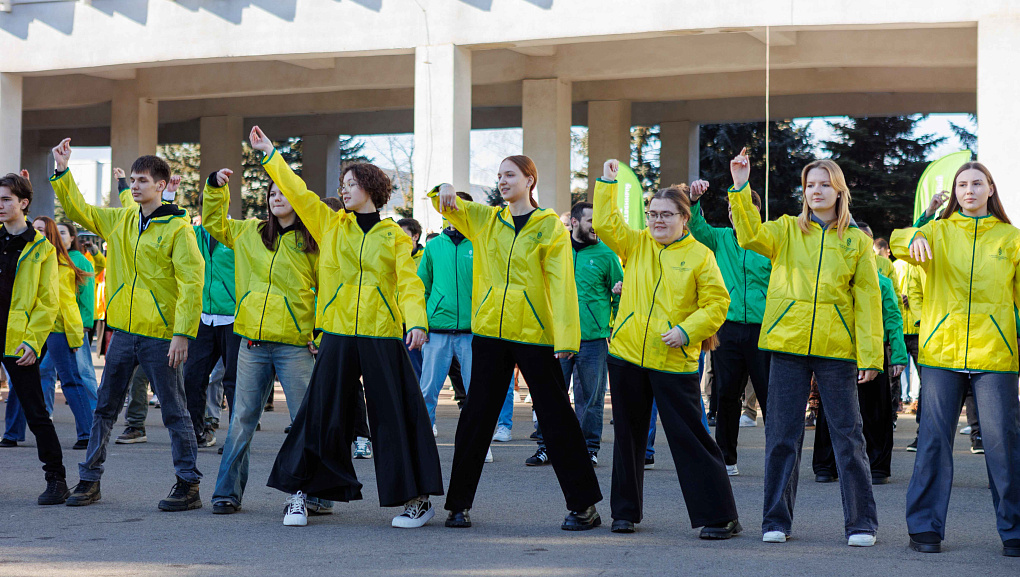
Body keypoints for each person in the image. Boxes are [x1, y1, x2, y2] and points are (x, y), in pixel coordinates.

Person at [250, 126, 442, 529]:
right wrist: (270, 155)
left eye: (352, 183)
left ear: (371, 187)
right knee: (319, 414)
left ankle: (417, 500)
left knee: (393, 416)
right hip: (337, 331)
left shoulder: (393, 236)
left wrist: (418, 323)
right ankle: (300, 495)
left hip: (381, 334)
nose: (346, 189)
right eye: (344, 184)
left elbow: (408, 283)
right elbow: (299, 193)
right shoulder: (331, 223)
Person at [432, 155, 602, 531]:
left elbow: (561, 283)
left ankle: (584, 506)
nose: (502, 181)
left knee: (557, 420)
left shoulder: (549, 227)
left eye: (510, 175)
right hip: (491, 332)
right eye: (499, 176)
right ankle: (457, 505)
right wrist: (442, 188)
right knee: (475, 419)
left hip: (534, 335)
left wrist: (567, 337)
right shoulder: (488, 219)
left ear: (530, 180)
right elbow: (447, 204)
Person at [728, 148, 883, 547]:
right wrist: (741, 187)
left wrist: (870, 355)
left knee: (849, 436)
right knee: (782, 435)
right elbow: (747, 234)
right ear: (804, 191)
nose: (816, 191)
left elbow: (868, 300)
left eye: (824, 184)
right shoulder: (784, 229)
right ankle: (775, 520)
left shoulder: (856, 242)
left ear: (838, 191)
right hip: (787, 345)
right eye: (810, 185)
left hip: (837, 351)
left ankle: (861, 523)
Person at [51, 139, 205, 511]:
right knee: (104, 408)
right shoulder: (120, 218)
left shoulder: (178, 230)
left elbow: (192, 281)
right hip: (123, 332)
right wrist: (62, 170)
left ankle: (188, 485)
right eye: (132, 179)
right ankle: (89, 481)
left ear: (162, 185)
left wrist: (182, 333)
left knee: (174, 411)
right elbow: (77, 208)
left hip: (159, 336)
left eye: (142, 180)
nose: (134, 185)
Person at [593, 160, 739, 538]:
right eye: (651, 213)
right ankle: (624, 513)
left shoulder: (700, 256)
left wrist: (686, 332)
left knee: (691, 439)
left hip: (673, 360)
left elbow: (716, 304)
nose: (657, 220)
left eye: (666, 214)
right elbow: (607, 225)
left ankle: (721, 516)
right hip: (626, 355)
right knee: (627, 437)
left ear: (684, 218)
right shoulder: (636, 243)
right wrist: (608, 182)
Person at [891, 161, 1020, 557]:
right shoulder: (939, 231)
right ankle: (924, 529)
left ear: (990, 190)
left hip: (995, 354)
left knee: (1004, 446)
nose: (969, 190)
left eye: (977, 183)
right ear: (956, 192)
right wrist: (915, 235)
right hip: (941, 353)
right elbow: (897, 240)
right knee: (932, 441)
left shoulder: (1011, 239)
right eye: (962, 184)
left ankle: (1014, 531)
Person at [202, 168, 328, 516]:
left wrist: (319, 333)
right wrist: (215, 188)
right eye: (272, 192)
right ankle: (226, 493)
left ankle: (316, 494)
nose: (276, 196)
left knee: (305, 421)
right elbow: (214, 223)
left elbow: (328, 291)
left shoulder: (312, 243)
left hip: (295, 345)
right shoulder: (249, 232)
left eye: (284, 192)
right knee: (241, 419)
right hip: (252, 343)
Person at [688, 178, 772, 477]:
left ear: (758, 213)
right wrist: (695, 201)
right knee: (726, 395)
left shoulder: (769, 242)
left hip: (764, 330)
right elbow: (696, 229)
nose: (738, 215)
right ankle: (726, 458)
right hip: (728, 328)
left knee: (770, 398)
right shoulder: (721, 238)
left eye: (745, 209)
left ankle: (778, 458)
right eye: (734, 210)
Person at [530, 201, 622, 468]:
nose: (596, 226)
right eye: (591, 220)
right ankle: (546, 447)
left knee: (591, 399)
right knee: (551, 395)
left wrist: (613, 326)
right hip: (556, 338)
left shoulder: (607, 255)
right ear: (574, 222)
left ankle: (589, 449)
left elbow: (619, 296)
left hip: (593, 340)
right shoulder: (556, 251)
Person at [813, 222, 907, 485]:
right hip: (837, 350)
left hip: (874, 351)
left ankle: (878, 466)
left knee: (876, 410)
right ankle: (825, 464)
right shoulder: (832, 276)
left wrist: (898, 355)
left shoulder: (883, 282)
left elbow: (893, 319)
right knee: (830, 410)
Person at [0, 171, 68, 505]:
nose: (0, 205)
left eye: (6, 199)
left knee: (36, 411)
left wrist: (32, 340)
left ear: (23, 203)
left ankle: (56, 479)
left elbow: (48, 301)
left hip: (18, 340)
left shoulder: (40, 248)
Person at [4, 217, 96, 450]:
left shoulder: (68, 262)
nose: (35, 233)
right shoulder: (28, 257)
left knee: (70, 380)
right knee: (19, 381)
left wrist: (81, 328)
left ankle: (87, 433)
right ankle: (12, 433)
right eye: (33, 229)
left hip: (58, 328)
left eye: (41, 230)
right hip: (29, 328)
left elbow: (72, 300)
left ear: (51, 234)